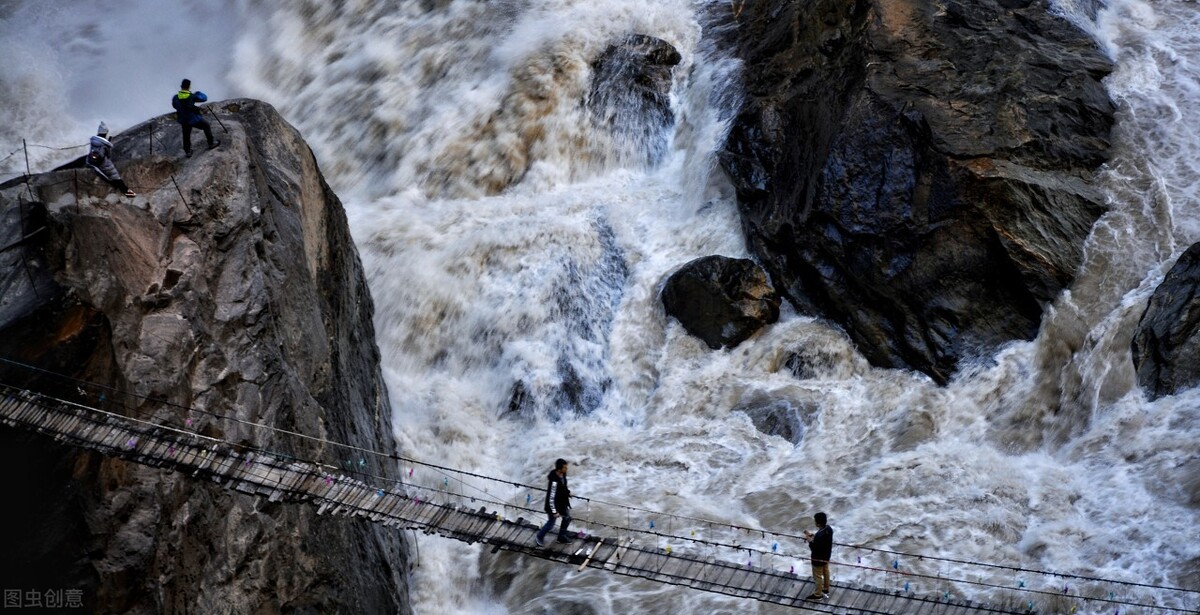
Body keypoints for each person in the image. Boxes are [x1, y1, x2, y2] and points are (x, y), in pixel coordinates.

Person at [172, 78, 219, 157]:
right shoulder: (192, 96)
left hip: (183, 119)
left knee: (186, 135)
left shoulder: (176, 98)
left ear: (181, 86)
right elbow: (204, 98)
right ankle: (211, 143)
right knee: (206, 125)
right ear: (189, 87)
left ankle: (188, 152)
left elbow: (174, 106)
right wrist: (198, 92)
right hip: (193, 119)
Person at [86, 122, 135, 197]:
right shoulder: (105, 144)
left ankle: (117, 186)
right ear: (105, 133)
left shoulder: (93, 141)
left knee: (111, 175)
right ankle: (126, 192)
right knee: (115, 176)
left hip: (92, 161)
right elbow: (108, 155)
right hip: (102, 163)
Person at [534, 458, 573, 547]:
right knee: (551, 523)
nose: (566, 469)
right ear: (559, 469)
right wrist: (554, 511)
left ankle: (561, 536)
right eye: (565, 468)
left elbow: (563, 486)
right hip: (553, 505)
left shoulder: (563, 474)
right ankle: (539, 536)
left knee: (567, 518)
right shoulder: (554, 482)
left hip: (562, 503)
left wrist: (567, 492)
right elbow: (551, 498)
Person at [804, 512, 834, 600]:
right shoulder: (829, 529)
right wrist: (814, 537)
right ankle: (826, 589)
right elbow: (822, 541)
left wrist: (809, 539)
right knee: (826, 572)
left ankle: (818, 594)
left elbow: (814, 548)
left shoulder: (818, 536)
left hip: (817, 559)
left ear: (818, 523)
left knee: (817, 576)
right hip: (826, 557)